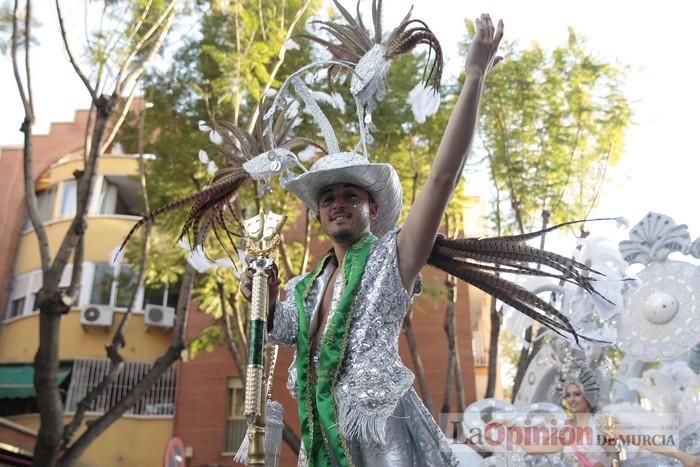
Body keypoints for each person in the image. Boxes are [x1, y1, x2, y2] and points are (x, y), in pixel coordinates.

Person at [239, 13, 504, 467]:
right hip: (322, 435)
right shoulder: (307, 289)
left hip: (381, 427)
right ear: (318, 215)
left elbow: (442, 179)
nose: (338, 203)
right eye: (328, 198)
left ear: (373, 210)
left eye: (351, 196)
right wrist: (255, 293)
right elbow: (281, 330)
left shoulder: (392, 260)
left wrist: (474, 76)